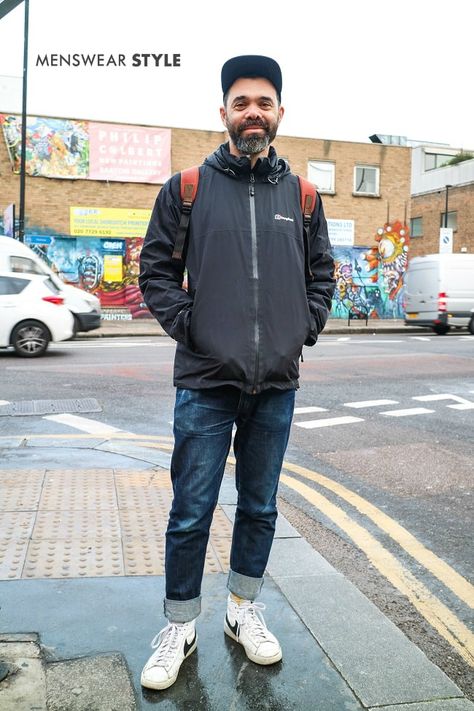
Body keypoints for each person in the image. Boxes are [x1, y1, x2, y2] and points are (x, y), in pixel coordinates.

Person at [138, 54, 335, 690]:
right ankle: (179, 622)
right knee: (191, 511)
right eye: (242, 101)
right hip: (205, 383)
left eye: (265, 102)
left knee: (259, 507)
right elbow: (157, 276)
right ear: (223, 111)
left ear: (280, 113)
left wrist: (301, 328)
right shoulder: (187, 189)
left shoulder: (302, 196)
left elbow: (322, 275)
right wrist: (195, 331)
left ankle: (243, 610)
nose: (254, 111)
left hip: (276, 384)